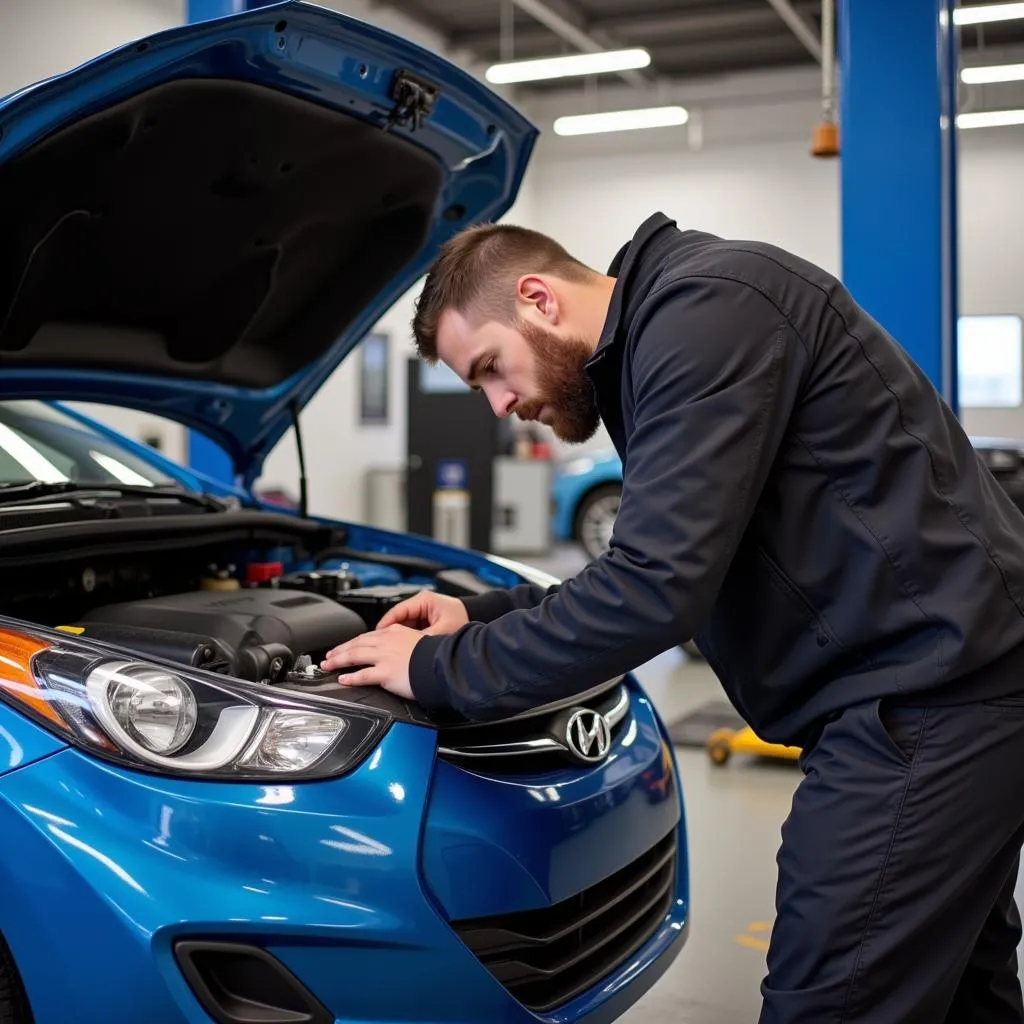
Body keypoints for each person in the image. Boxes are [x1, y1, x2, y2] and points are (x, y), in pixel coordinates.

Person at [321, 212, 1024, 1023]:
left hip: (927, 703)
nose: (499, 404)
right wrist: (475, 618)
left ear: (538, 299)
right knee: (968, 1000)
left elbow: (656, 589)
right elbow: (661, 564)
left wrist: (435, 670)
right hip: (943, 685)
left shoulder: (702, 315)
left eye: (490, 368)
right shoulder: (674, 326)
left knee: (832, 1001)